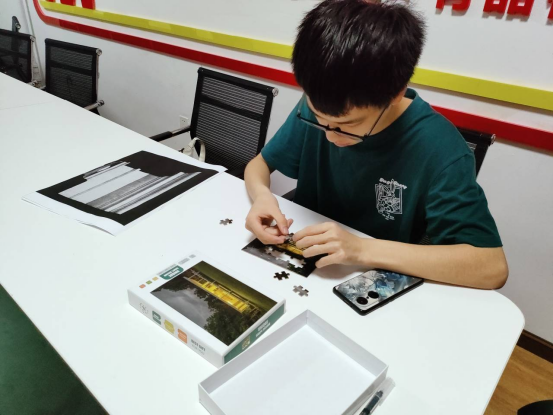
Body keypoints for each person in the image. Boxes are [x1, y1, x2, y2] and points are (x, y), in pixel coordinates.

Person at [244, 0, 508, 289]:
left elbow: (491, 267)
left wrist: (361, 249)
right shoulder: (321, 105)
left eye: (348, 125)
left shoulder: (441, 148)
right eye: (320, 120)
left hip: (370, 282)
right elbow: (260, 165)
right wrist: (262, 196)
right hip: (305, 271)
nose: (330, 135)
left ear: (396, 93)